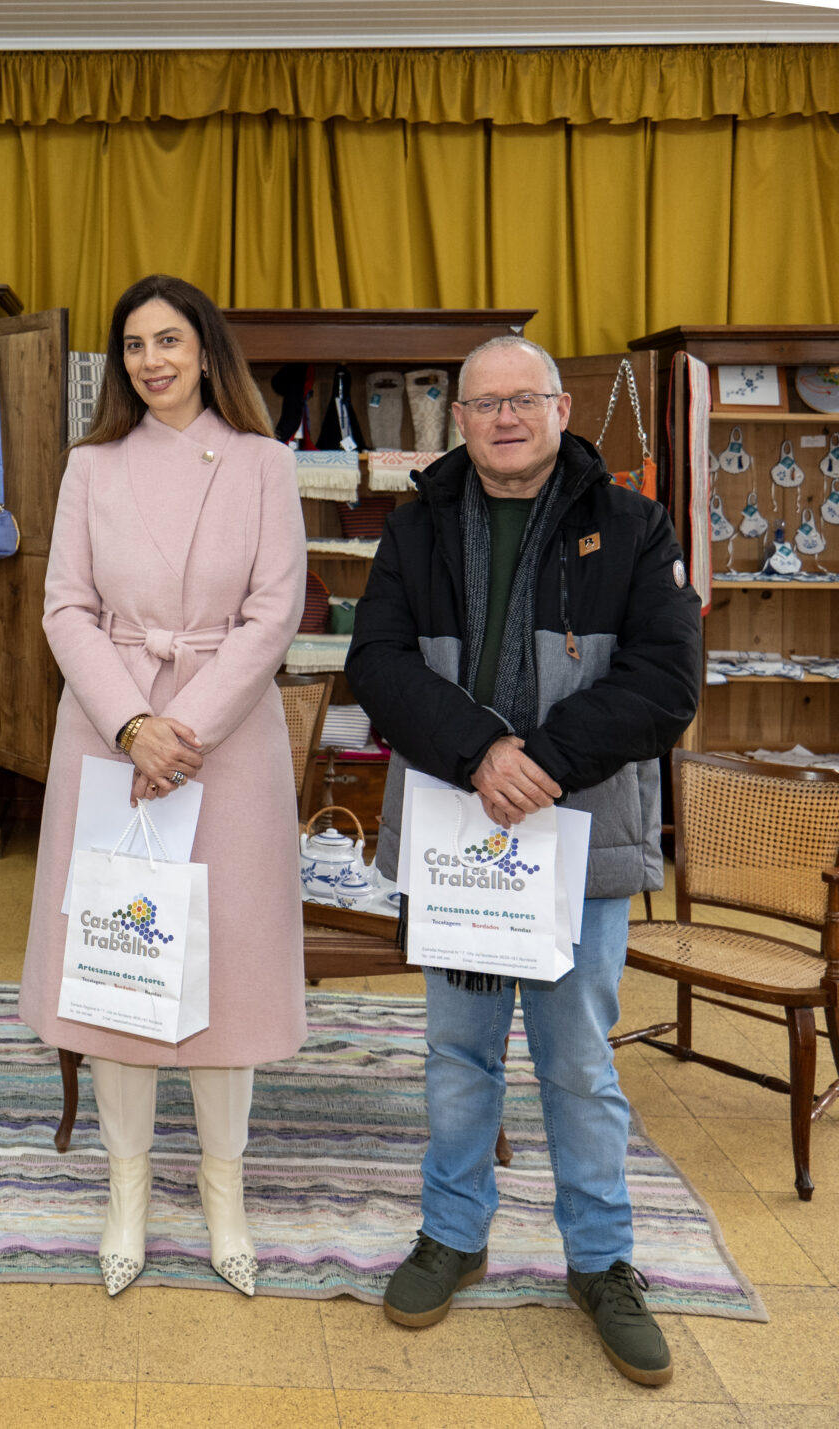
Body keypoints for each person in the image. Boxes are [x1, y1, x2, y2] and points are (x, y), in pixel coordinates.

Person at [345, 335, 701, 1385]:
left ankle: (601, 1260)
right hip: (460, 832)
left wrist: (541, 759)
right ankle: (454, 1232)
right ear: (457, 420)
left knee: (577, 1060)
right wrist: (479, 752)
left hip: (578, 831)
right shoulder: (415, 526)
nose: (504, 417)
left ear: (560, 409)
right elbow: (377, 661)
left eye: (524, 399)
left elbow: (669, 679)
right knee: (458, 1052)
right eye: (484, 402)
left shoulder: (632, 526)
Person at [19, 275, 308, 1298]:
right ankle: (127, 1190)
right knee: (118, 958)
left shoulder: (265, 462)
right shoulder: (91, 464)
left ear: (206, 349)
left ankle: (224, 1191)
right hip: (111, 739)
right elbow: (65, 607)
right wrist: (134, 724)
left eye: (170, 340)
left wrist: (186, 729)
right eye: (135, 344)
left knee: (229, 967)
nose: (152, 360)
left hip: (227, 741)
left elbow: (276, 610)